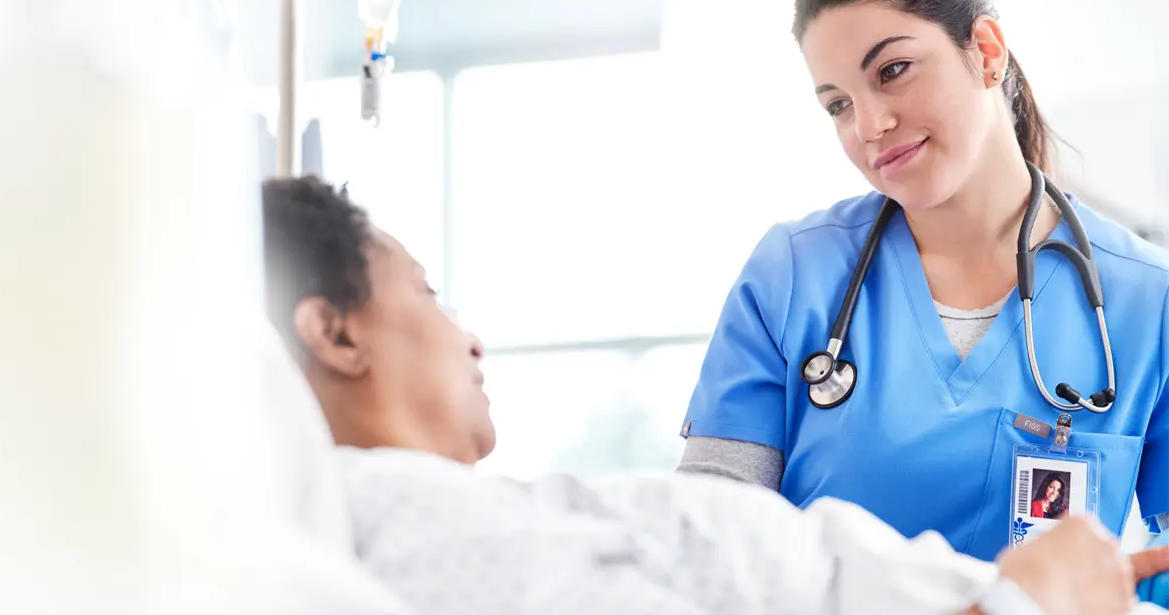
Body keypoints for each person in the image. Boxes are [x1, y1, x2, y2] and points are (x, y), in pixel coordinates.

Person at [261, 174, 1169, 614]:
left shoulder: (488, 511)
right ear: (334, 332)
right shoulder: (414, 530)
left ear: (987, 53)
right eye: (426, 291)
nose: (470, 334)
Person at [676, 0, 1169, 561]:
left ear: (986, 52)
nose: (870, 126)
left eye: (893, 71)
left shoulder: (1146, 301)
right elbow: (708, 539)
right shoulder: (794, 274)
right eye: (837, 106)